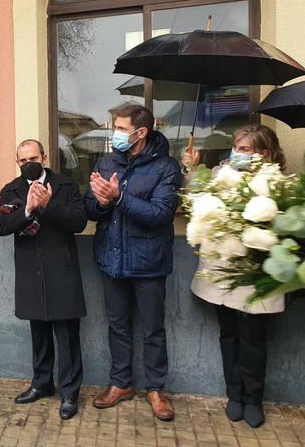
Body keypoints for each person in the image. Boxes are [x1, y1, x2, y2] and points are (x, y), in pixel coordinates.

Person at [182, 124, 285, 428]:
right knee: (228, 334)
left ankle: (254, 398)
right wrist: (192, 170)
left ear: (264, 153)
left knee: (254, 338)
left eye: (244, 149)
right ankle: (234, 395)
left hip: (257, 272)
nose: (236, 154)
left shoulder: (277, 183)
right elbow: (195, 200)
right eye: (235, 147)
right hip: (222, 270)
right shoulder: (220, 174)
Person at [85, 104, 182, 421]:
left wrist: (120, 199)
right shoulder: (106, 161)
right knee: (118, 326)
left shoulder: (166, 167)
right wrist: (99, 202)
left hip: (148, 262)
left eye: (122, 128)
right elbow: (91, 209)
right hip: (111, 260)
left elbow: (160, 214)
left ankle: (155, 389)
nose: (116, 133)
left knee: (153, 329)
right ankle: (121, 383)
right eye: (115, 126)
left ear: (141, 132)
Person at [0, 139, 87, 420]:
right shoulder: (10, 190)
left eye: (33, 157)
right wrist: (27, 211)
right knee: (39, 333)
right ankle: (42, 383)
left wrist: (47, 206)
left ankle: (70, 393)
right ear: (17, 162)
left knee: (67, 337)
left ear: (44, 157)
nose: (28, 163)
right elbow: (1, 226)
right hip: (30, 271)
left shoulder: (66, 186)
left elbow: (79, 222)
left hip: (61, 270)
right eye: (22, 160)